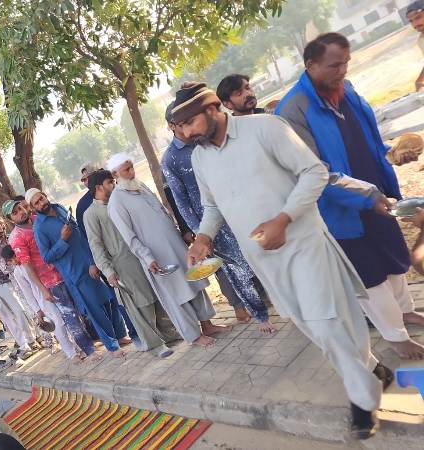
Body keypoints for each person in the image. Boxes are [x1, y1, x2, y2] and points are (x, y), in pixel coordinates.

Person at [173, 81, 389, 439]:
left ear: (213, 109)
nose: (185, 134)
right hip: (263, 258)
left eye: (189, 123)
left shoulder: (265, 128)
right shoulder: (200, 158)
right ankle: (373, 368)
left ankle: (363, 401)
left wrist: (283, 219)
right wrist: (203, 238)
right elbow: (212, 206)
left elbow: (314, 172)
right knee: (312, 327)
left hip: (303, 244)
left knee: (327, 325)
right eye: (180, 128)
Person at [277, 32, 424, 359]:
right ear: (311, 65)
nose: (342, 71)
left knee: (393, 260)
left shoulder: (347, 91)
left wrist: (393, 153)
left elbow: (368, 140)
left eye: (346, 62)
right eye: (334, 65)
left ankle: (406, 312)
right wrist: (365, 195)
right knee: (369, 275)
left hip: (376, 194)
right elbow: (314, 172)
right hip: (340, 209)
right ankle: (395, 337)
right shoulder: (292, 111)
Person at [162, 101, 274, 331]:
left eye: (189, 121)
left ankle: (270, 295)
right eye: (181, 124)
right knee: (233, 270)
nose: (187, 129)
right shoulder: (170, 159)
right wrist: (200, 233)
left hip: (235, 210)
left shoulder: (204, 140)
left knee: (256, 254)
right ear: (172, 126)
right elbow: (181, 201)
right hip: (210, 223)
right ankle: (257, 315)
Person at [106, 154, 227, 347]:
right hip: (157, 257)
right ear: (115, 174)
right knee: (176, 296)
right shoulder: (116, 202)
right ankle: (194, 336)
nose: (132, 172)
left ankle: (207, 325)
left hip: (175, 244)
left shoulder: (140, 186)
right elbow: (130, 237)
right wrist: (147, 258)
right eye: (126, 170)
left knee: (193, 282)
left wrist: (179, 234)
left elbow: (163, 212)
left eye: (132, 167)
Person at [83, 169, 180, 354]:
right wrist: (108, 271)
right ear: (98, 187)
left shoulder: (119, 202)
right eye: (110, 182)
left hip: (141, 256)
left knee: (155, 296)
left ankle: (171, 335)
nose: (114, 184)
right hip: (122, 266)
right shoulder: (91, 214)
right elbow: (96, 246)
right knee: (140, 306)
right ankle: (155, 346)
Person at [28, 188, 130, 358]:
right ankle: (112, 346)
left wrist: (93, 261)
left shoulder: (59, 208)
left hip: (92, 261)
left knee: (110, 300)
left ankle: (120, 335)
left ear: (45, 196)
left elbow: (80, 235)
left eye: (41, 198)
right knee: (95, 310)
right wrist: (62, 240)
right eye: (36, 203)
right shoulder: (39, 228)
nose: (41, 203)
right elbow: (47, 257)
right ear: (33, 208)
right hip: (75, 272)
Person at [3, 197, 96, 362]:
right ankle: (89, 351)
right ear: (10, 220)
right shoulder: (16, 238)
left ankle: (94, 340)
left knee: (82, 308)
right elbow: (27, 267)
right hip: (51, 282)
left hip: (66, 270)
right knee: (69, 316)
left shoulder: (38, 220)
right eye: (15, 213)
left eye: (20, 208)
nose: (20, 213)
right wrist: (43, 290)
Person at [2, 245, 72, 357]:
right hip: (42, 299)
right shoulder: (18, 272)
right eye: (10, 261)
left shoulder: (32, 259)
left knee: (70, 317)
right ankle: (71, 352)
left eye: (13, 258)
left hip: (55, 288)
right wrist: (37, 310)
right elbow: (28, 293)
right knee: (58, 324)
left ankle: (78, 346)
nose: (13, 262)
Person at [0, 220, 39, 353]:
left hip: (28, 274)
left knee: (33, 305)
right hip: (7, 283)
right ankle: (31, 340)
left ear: (2, 224)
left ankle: (40, 335)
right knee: (21, 311)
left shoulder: (13, 237)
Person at [76, 163, 102, 240]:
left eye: (89, 177)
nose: (86, 182)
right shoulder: (82, 205)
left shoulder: (112, 190)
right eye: (84, 180)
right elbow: (87, 235)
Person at [408, 1, 424, 91]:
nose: (415, 24)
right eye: (411, 21)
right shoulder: (421, 40)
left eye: (418, 17)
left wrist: (419, 81)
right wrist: (419, 81)